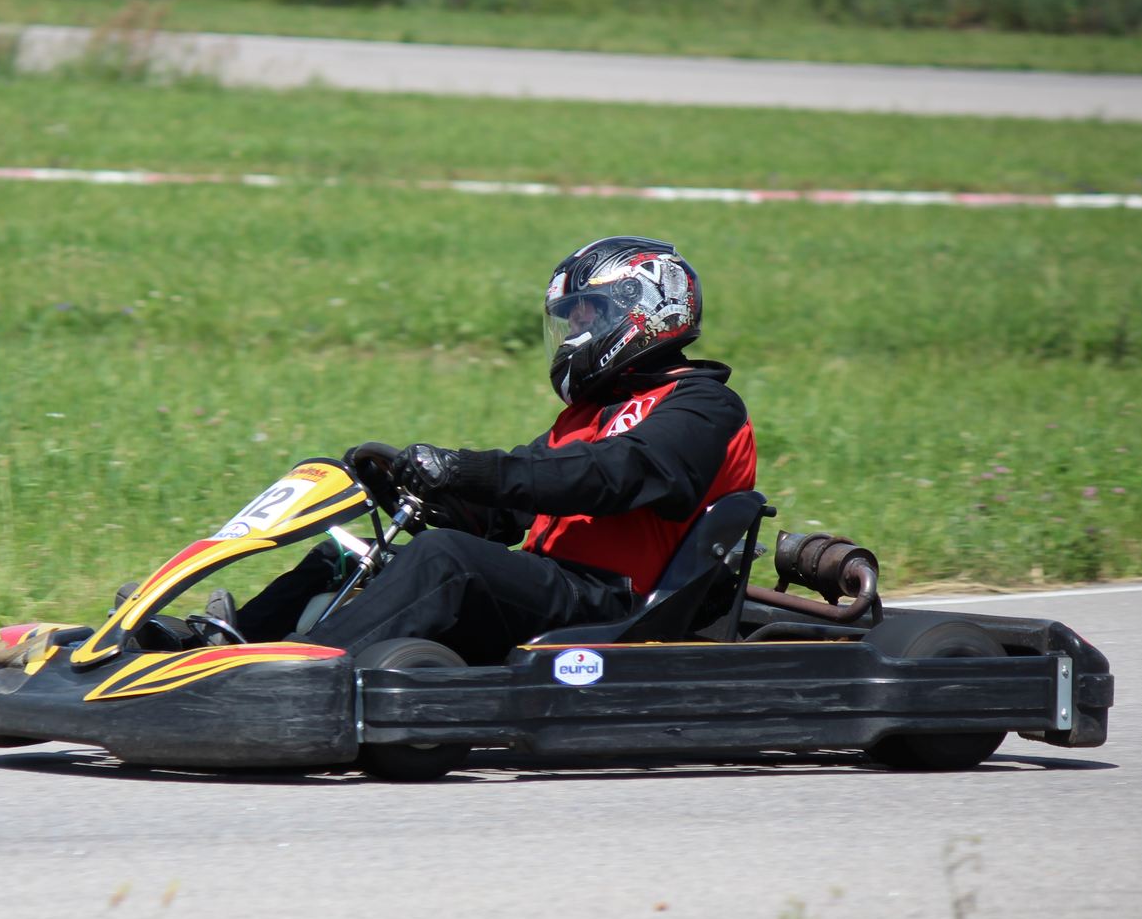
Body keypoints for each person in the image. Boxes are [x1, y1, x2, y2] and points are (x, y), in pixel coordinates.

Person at [235, 235, 757, 664]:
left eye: (587, 314)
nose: (575, 330)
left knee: (447, 558)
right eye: (569, 318)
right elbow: (507, 509)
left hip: (614, 604)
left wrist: (468, 467)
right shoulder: (588, 416)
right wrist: (408, 486)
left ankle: (296, 673)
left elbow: (615, 474)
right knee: (345, 555)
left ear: (643, 309)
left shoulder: (704, 405)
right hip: (553, 591)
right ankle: (219, 646)